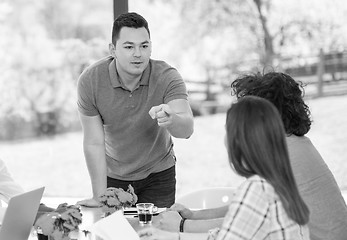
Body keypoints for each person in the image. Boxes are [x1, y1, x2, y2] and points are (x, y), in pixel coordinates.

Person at [159, 72, 347, 240]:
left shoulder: (283, 154)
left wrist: (182, 226)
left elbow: (244, 220)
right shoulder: (296, 143)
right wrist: (193, 215)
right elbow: (247, 207)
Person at [138, 96, 310, 240]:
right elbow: (233, 223)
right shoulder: (276, 183)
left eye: (227, 131)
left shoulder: (257, 189)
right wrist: (190, 218)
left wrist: (176, 231)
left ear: (239, 141)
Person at [76, 12, 194, 208]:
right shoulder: (90, 81)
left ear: (150, 48)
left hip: (158, 174)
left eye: (144, 46)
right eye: (129, 47)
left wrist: (172, 120)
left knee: (158, 235)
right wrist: (99, 196)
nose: (138, 54)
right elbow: (94, 142)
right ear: (113, 49)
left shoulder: (167, 76)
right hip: (114, 176)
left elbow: (187, 129)